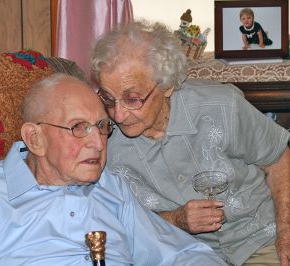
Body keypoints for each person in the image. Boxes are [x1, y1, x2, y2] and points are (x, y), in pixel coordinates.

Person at [0, 73, 226, 265]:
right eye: (79, 128)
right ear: (35, 138)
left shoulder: (111, 188)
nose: (98, 142)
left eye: (103, 127)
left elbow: (183, 254)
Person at [91, 20, 290, 266]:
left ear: (167, 85)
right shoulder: (100, 139)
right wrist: (175, 220)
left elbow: (279, 159)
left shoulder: (221, 106)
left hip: (260, 240)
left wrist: (286, 236)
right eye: (109, 98)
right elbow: (109, 217)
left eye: (132, 99)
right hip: (183, 254)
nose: (118, 115)